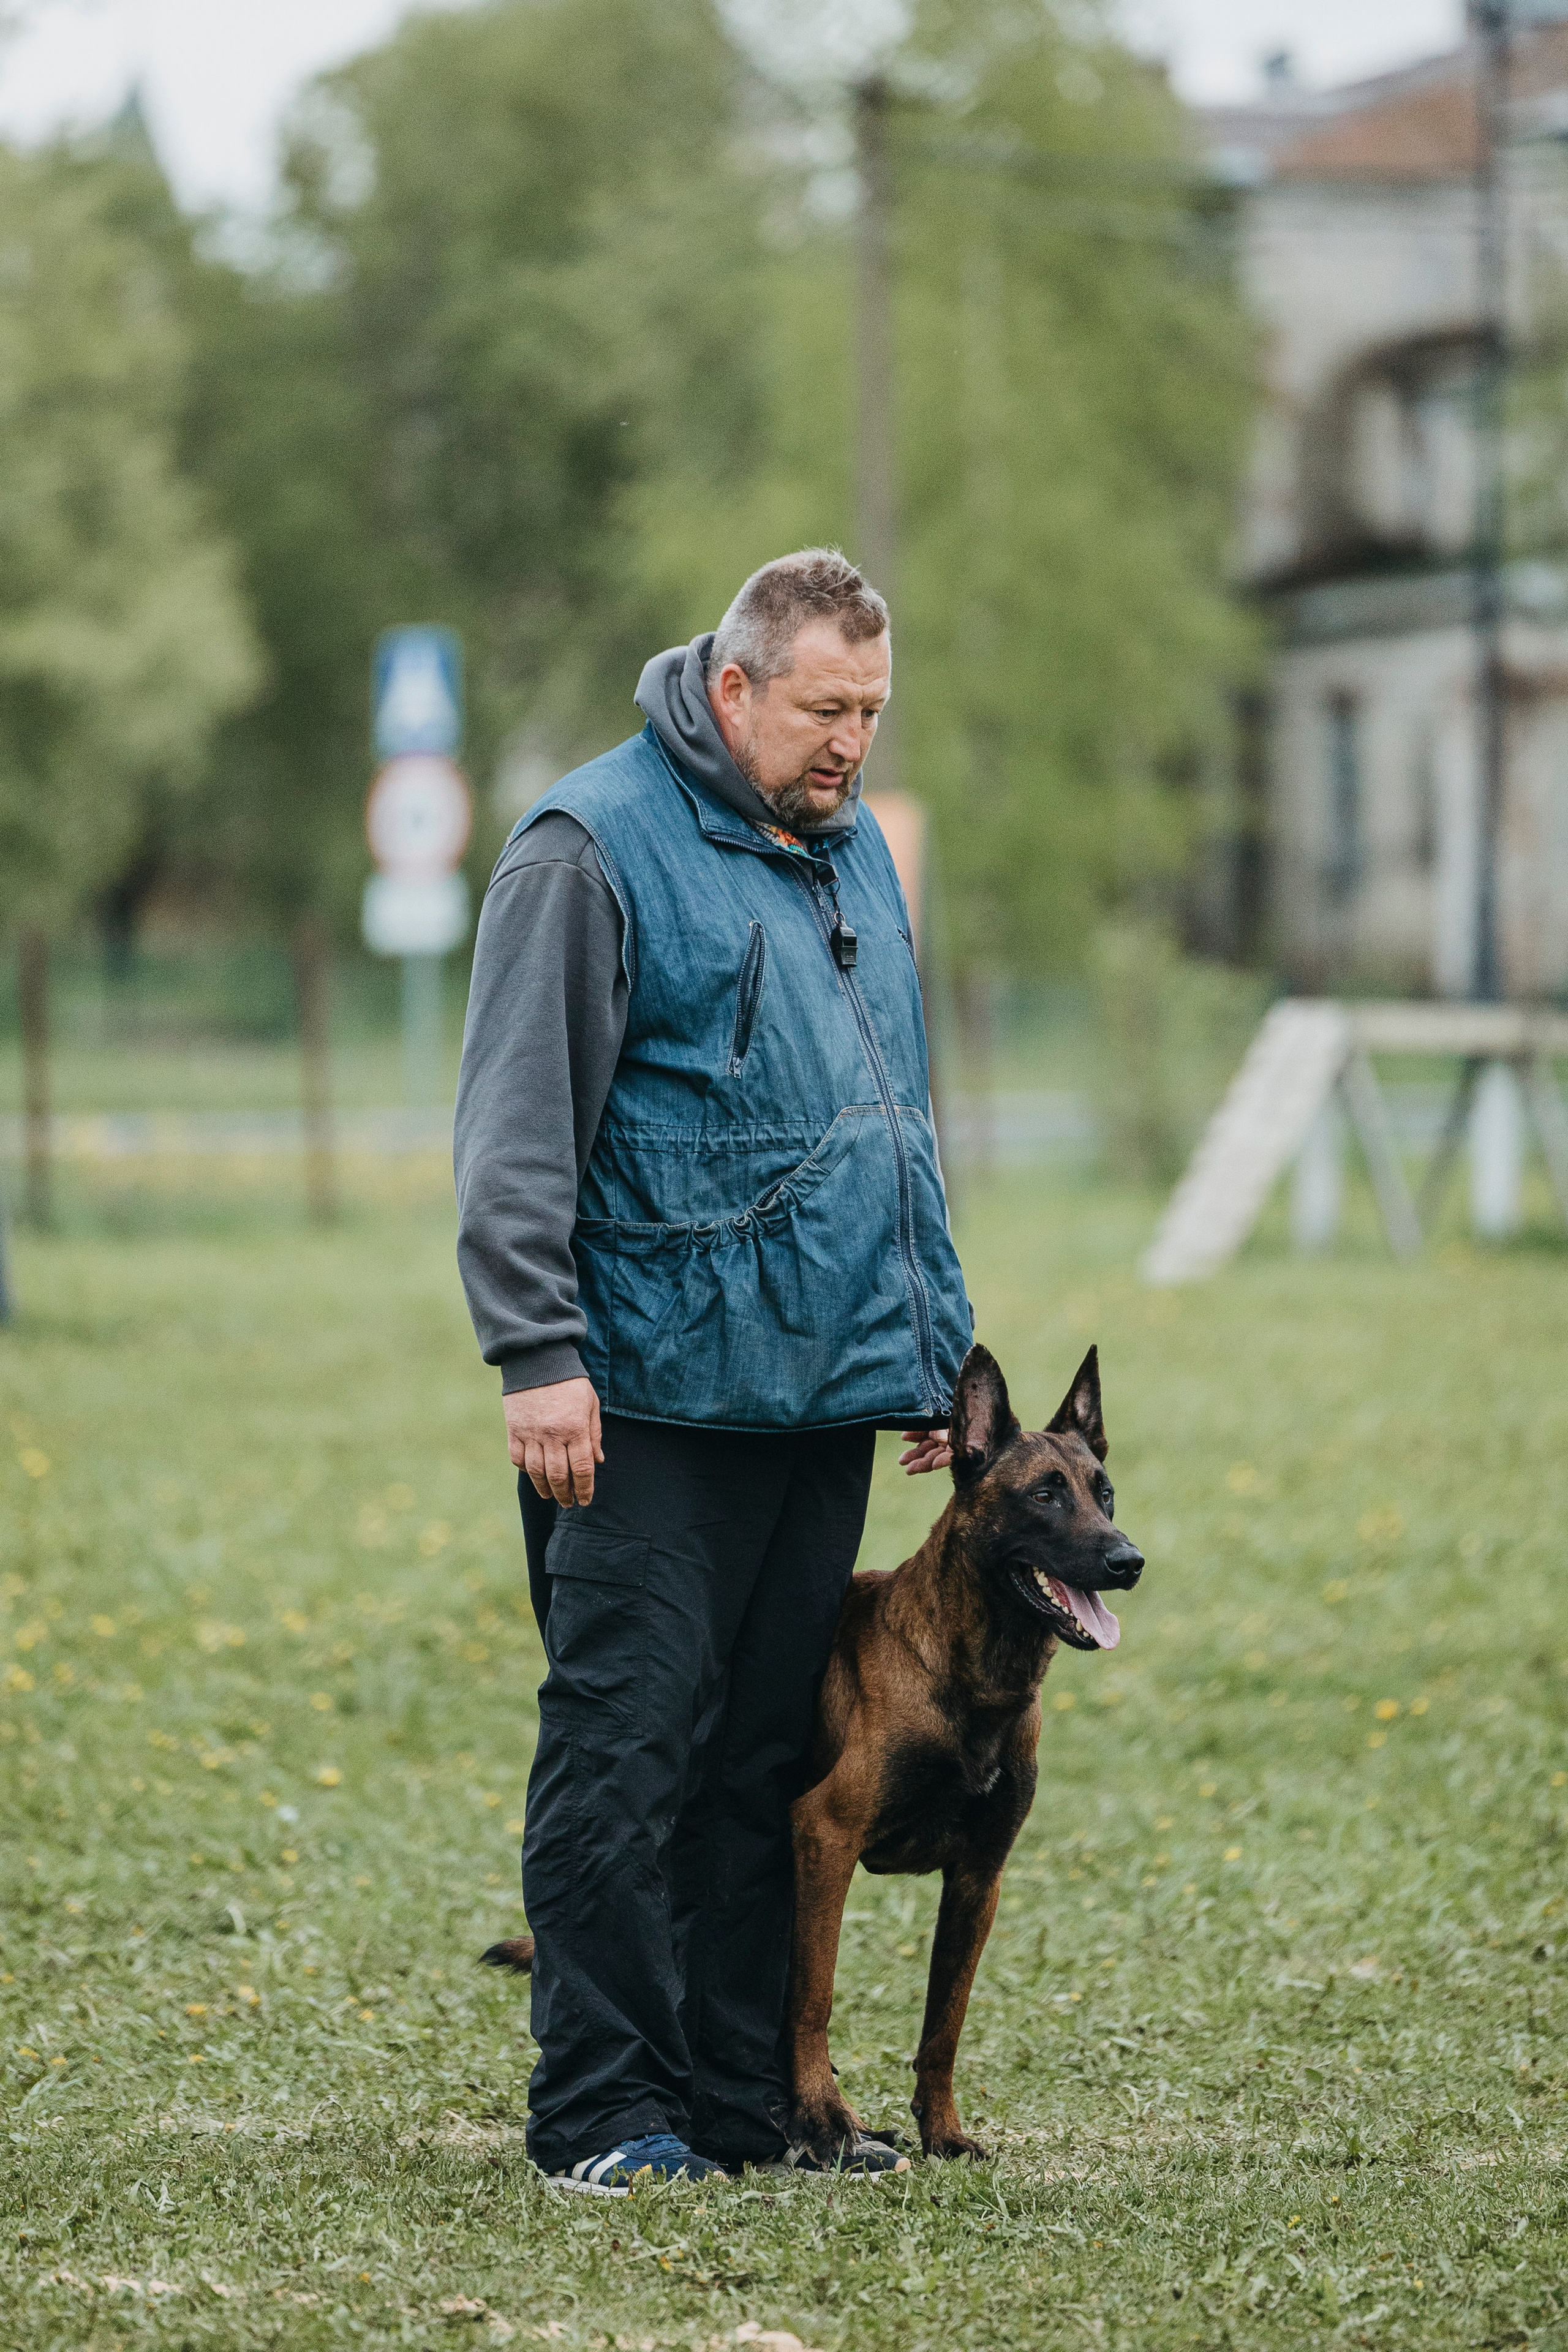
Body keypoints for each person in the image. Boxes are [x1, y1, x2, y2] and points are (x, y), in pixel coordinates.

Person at [453, 549, 971, 2194]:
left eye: (872, 712)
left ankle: (748, 2109)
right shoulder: (588, 846)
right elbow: (517, 1127)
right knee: (627, 1753)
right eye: (826, 710)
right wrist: (539, 1353)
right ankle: (603, 2117)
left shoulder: (850, 847)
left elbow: (891, 1107)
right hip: (643, 1401)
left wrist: (927, 1340)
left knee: (766, 1756)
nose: (852, 744)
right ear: (733, 687)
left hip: (817, 1397)